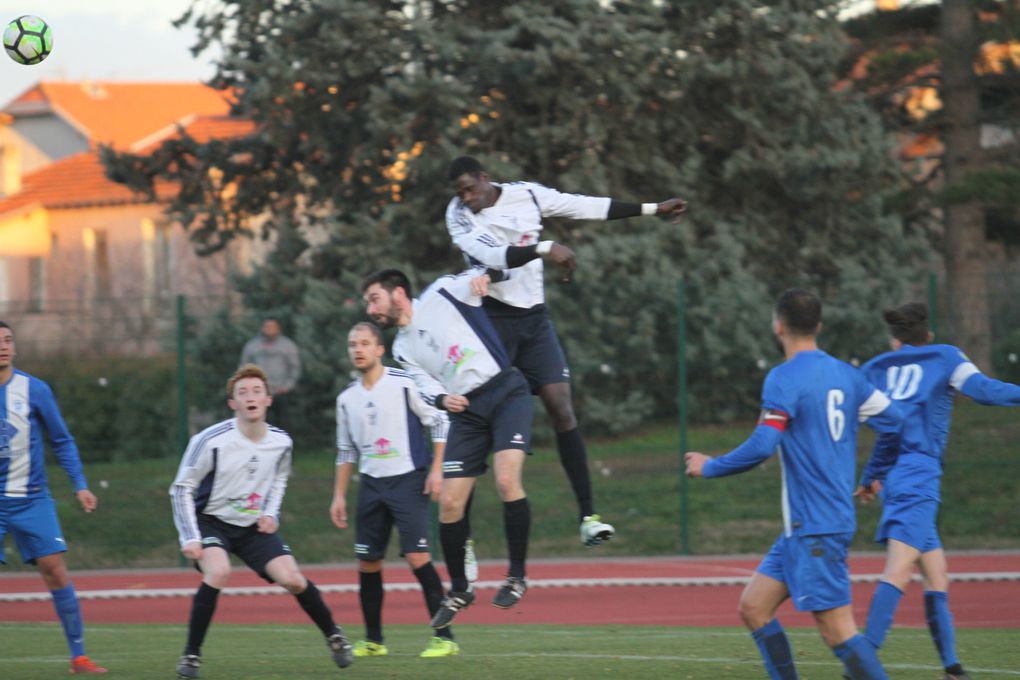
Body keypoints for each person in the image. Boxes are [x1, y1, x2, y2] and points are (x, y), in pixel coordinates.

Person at [445, 155, 687, 546]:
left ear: (486, 178)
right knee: (478, 419)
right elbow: (497, 261)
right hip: (490, 322)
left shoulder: (528, 195)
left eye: (471, 189)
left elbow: (584, 205)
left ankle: (588, 517)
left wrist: (651, 209)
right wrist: (545, 247)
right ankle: (464, 537)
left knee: (562, 407)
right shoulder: (458, 216)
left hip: (534, 322)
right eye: (460, 192)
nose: (466, 197)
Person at [684, 289, 910, 680]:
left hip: (817, 526)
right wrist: (874, 472)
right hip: (803, 527)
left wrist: (711, 467)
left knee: (838, 631)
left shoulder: (783, 378)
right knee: (754, 607)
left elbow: (763, 445)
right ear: (818, 326)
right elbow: (897, 422)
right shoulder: (847, 374)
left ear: (778, 327)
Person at [361, 267, 534, 629]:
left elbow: (485, 269)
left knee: (506, 481)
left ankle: (516, 576)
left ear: (398, 293)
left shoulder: (442, 291)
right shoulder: (401, 347)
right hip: (467, 412)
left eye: (374, 299)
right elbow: (422, 383)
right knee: (451, 504)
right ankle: (459, 590)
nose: (370, 310)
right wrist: (442, 398)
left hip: (505, 392)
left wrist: (485, 276)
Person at [855, 302, 1020, 680]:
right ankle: (860, 665)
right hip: (919, 475)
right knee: (897, 571)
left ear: (895, 340)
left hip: (897, 479)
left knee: (937, 574)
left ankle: (952, 668)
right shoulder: (945, 357)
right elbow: (984, 390)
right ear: (927, 334)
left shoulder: (877, 367)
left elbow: (877, 422)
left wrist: (870, 477)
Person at [169, 364, 353, 679]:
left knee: (293, 578)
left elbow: (280, 479)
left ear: (268, 400)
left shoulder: (281, 442)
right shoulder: (210, 440)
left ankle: (335, 636)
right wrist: (190, 536)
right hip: (211, 522)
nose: (250, 397)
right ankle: (191, 657)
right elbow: (180, 489)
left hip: (252, 527)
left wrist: (271, 513)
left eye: (257, 391)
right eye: (242, 393)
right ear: (232, 404)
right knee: (219, 571)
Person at [331, 321, 460, 658]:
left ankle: (444, 637)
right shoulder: (347, 398)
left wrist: (436, 470)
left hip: (408, 480)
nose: (357, 349)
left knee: (418, 557)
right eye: (352, 344)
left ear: (379, 349)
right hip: (371, 485)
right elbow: (346, 451)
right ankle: (374, 640)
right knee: (368, 562)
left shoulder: (404, 383)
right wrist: (339, 495)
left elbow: (440, 421)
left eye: (364, 343)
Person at [0, 320, 108, 675]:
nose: (3, 346)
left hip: (31, 499)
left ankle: (78, 656)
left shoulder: (35, 390)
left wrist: (80, 484)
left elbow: (61, 440)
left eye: (8, 340)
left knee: (55, 571)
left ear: (15, 347)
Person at [239, 318, 302, 430]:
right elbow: (244, 367)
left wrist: (287, 386)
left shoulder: (287, 345)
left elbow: (294, 368)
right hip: (258, 393)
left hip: (280, 392)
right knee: (258, 422)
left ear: (278, 328)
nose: (269, 329)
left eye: (272, 327)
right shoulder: (252, 346)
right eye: (267, 327)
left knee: (282, 423)